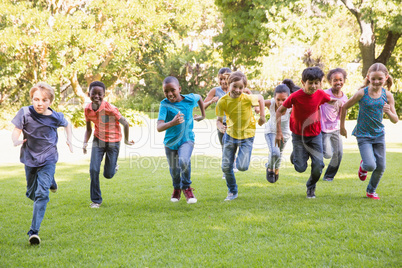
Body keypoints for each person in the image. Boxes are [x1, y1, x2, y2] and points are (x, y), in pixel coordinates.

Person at [11, 82, 73, 245]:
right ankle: (51, 181)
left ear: (50, 101)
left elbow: (68, 125)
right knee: (31, 192)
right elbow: (16, 130)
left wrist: (69, 140)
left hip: (48, 159)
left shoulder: (55, 116)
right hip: (30, 159)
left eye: (44, 100)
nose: (40, 103)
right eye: (36, 99)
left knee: (42, 194)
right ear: (31, 99)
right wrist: (16, 140)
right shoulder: (24, 112)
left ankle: (34, 232)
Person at [275, 67, 342, 198]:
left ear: (321, 83)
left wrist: (337, 102)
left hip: (315, 135)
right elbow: (279, 111)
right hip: (298, 136)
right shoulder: (295, 96)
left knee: (319, 165)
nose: (313, 86)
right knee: (300, 168)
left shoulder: (321, 94)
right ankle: (296, 155)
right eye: (310, 83)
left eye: (317, 82)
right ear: (303, 82)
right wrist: (278, 132)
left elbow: (330, 100)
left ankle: (311, 187)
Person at [340, 63, 398, 200]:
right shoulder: (362, 93)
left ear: (386, 77)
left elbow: (395, 120)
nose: (377, 82)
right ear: (368, 78)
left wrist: (388, 112)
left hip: (379, 135)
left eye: (380, 79)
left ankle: (371, 191)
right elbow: (344, 107)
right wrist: (342, 127)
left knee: (381, 166)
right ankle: (363, 165)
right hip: (363, 135)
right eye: (373, 79)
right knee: (371, 165)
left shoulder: (388, 96)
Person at [83, 81, 134, 208]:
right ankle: (96, 200)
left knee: (108, 174)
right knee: (93, 169)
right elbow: (89, 129)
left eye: (99, 94)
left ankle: (113, 166)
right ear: (88, 94)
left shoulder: (110, 109)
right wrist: (85, 142)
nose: (96, 96)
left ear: (104, 95)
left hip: (113, 142)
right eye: (93, 93)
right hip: (98, 140)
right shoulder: (87, 110)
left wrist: (127, 140)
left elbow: (125, 123)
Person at [216, 71, 266, 201]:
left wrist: (262, 116)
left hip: (247, 135)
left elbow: (260, 98)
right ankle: (232, 191)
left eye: (241, 87)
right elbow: (218, 120)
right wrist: (220, 126)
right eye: (235, 86)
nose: (237, 90)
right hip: (230, 135)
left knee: (242, 166)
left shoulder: (247, 98)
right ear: (229, 84)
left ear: (244, 88)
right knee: (226, 167)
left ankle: (241, 155)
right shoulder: (222, 101)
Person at [157, 76, 205, 204]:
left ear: (179, 89)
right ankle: (176, 188)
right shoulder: (164, 104)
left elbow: (199, 97)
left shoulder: (189, 99)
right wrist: (172, 122)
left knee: (184, 160)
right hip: (170, 142)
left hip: (187, 139)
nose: (170, 94)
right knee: (174, 170)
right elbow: (159, 127)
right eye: (166, 91)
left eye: (172, 90)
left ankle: (187, 188)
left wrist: (203, 115)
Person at [203, 67, 254, 179]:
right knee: (225, 148)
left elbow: (251, 98)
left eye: (225, 79)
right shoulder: (215, 91)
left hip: (237, 125)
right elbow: (202, 105)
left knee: (236, 146)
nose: (223, 81)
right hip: (223, 124)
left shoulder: (239, 88)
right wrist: (212, 101)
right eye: (220, 79)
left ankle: (236, 163)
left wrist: (257, 109)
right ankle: (227, 170)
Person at [320, 68, 349, 181]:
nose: (338, 82)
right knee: (327, 154)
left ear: (344, 81)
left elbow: (342, 114)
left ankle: (328, 176)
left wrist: (342, 127)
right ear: (330, 81)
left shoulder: (344, 97)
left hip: (335, 128)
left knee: (338, 153)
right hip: (323, 129)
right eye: (335, 80)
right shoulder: (324, 93)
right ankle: (316, 161)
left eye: (340, 80)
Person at [264, 84, 291, 183]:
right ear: (274, 97)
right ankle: (270, 168)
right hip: (271, 132)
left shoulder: (291, 106)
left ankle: (276, 170)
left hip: (285, 134)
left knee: (279, 153)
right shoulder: (271, 103)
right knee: (275, 153)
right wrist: (259, 109)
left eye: (284, 100)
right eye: (278, 99)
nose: (281, 102)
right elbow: (258, 101)